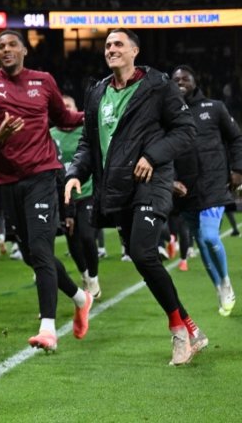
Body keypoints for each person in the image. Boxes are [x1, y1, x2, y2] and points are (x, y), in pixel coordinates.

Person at [65, 29, 204, 366]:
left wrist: (153, 156)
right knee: (144, 260)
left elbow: (186, 129)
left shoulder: (157, 85)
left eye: (118, 45)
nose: (111, 49)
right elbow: (88, 144)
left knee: (143, 254)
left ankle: (179, 334)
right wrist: (74, 174)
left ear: (134, 51)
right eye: (107, 45)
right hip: (117, 190)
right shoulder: (97, 92)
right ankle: (192, 328)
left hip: (151, 181)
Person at [0, 29, 93, 353]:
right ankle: (81, 298)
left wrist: (92, 116)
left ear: (25, 50)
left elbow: (64, 117)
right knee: (30, 254)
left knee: (40, 249)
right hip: (8, 181)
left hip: (42, 175)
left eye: (13, 44)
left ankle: (48, 328)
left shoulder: (43, 81)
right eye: (1, 47)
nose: (6, 49)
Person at [171, 64, 242, 316]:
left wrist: (237, 169)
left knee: (211, 237)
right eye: (176, 78)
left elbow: (236, 137)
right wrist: (170, 181)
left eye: (185, 78)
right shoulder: (166, 114)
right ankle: (218, 287)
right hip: (184, 190)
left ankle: (225, 282)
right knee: (201, 242)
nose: (181, 81)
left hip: (213, 183)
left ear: (194, 81)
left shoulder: (215, 108)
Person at [51, 95, 101, 299]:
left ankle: (94, 277)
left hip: (86, 191)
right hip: (63, 196)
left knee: (88, 236)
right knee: (72, 240)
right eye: (63, 107)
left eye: (69, 106)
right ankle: (84, 274)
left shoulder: (85, 131)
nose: (66, 110)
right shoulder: (51, 134)